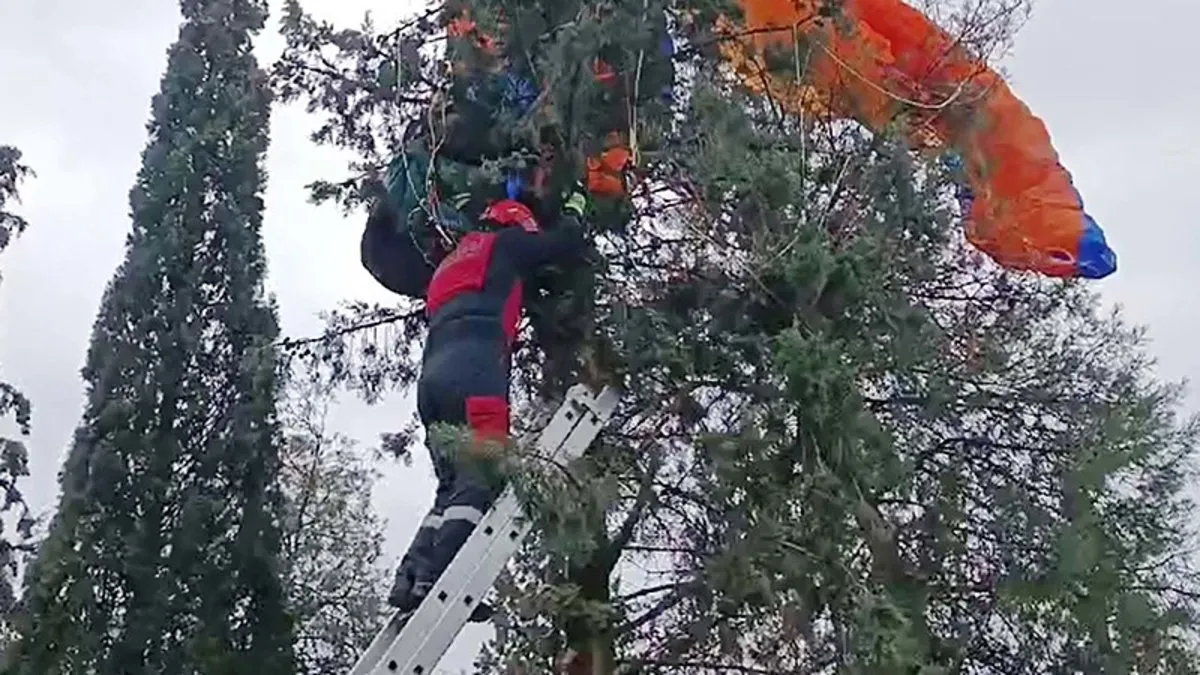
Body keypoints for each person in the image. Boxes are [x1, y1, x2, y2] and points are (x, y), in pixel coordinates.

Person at [387, 190, 591, 617]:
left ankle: (412, 576)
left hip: (432, 381)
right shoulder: (507, 243)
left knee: (450, 487)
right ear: (514, 224)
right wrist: (574, 204)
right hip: (475, 367)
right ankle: (445, 578)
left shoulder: (450, 262)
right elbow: (565, 245)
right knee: (481, 475)